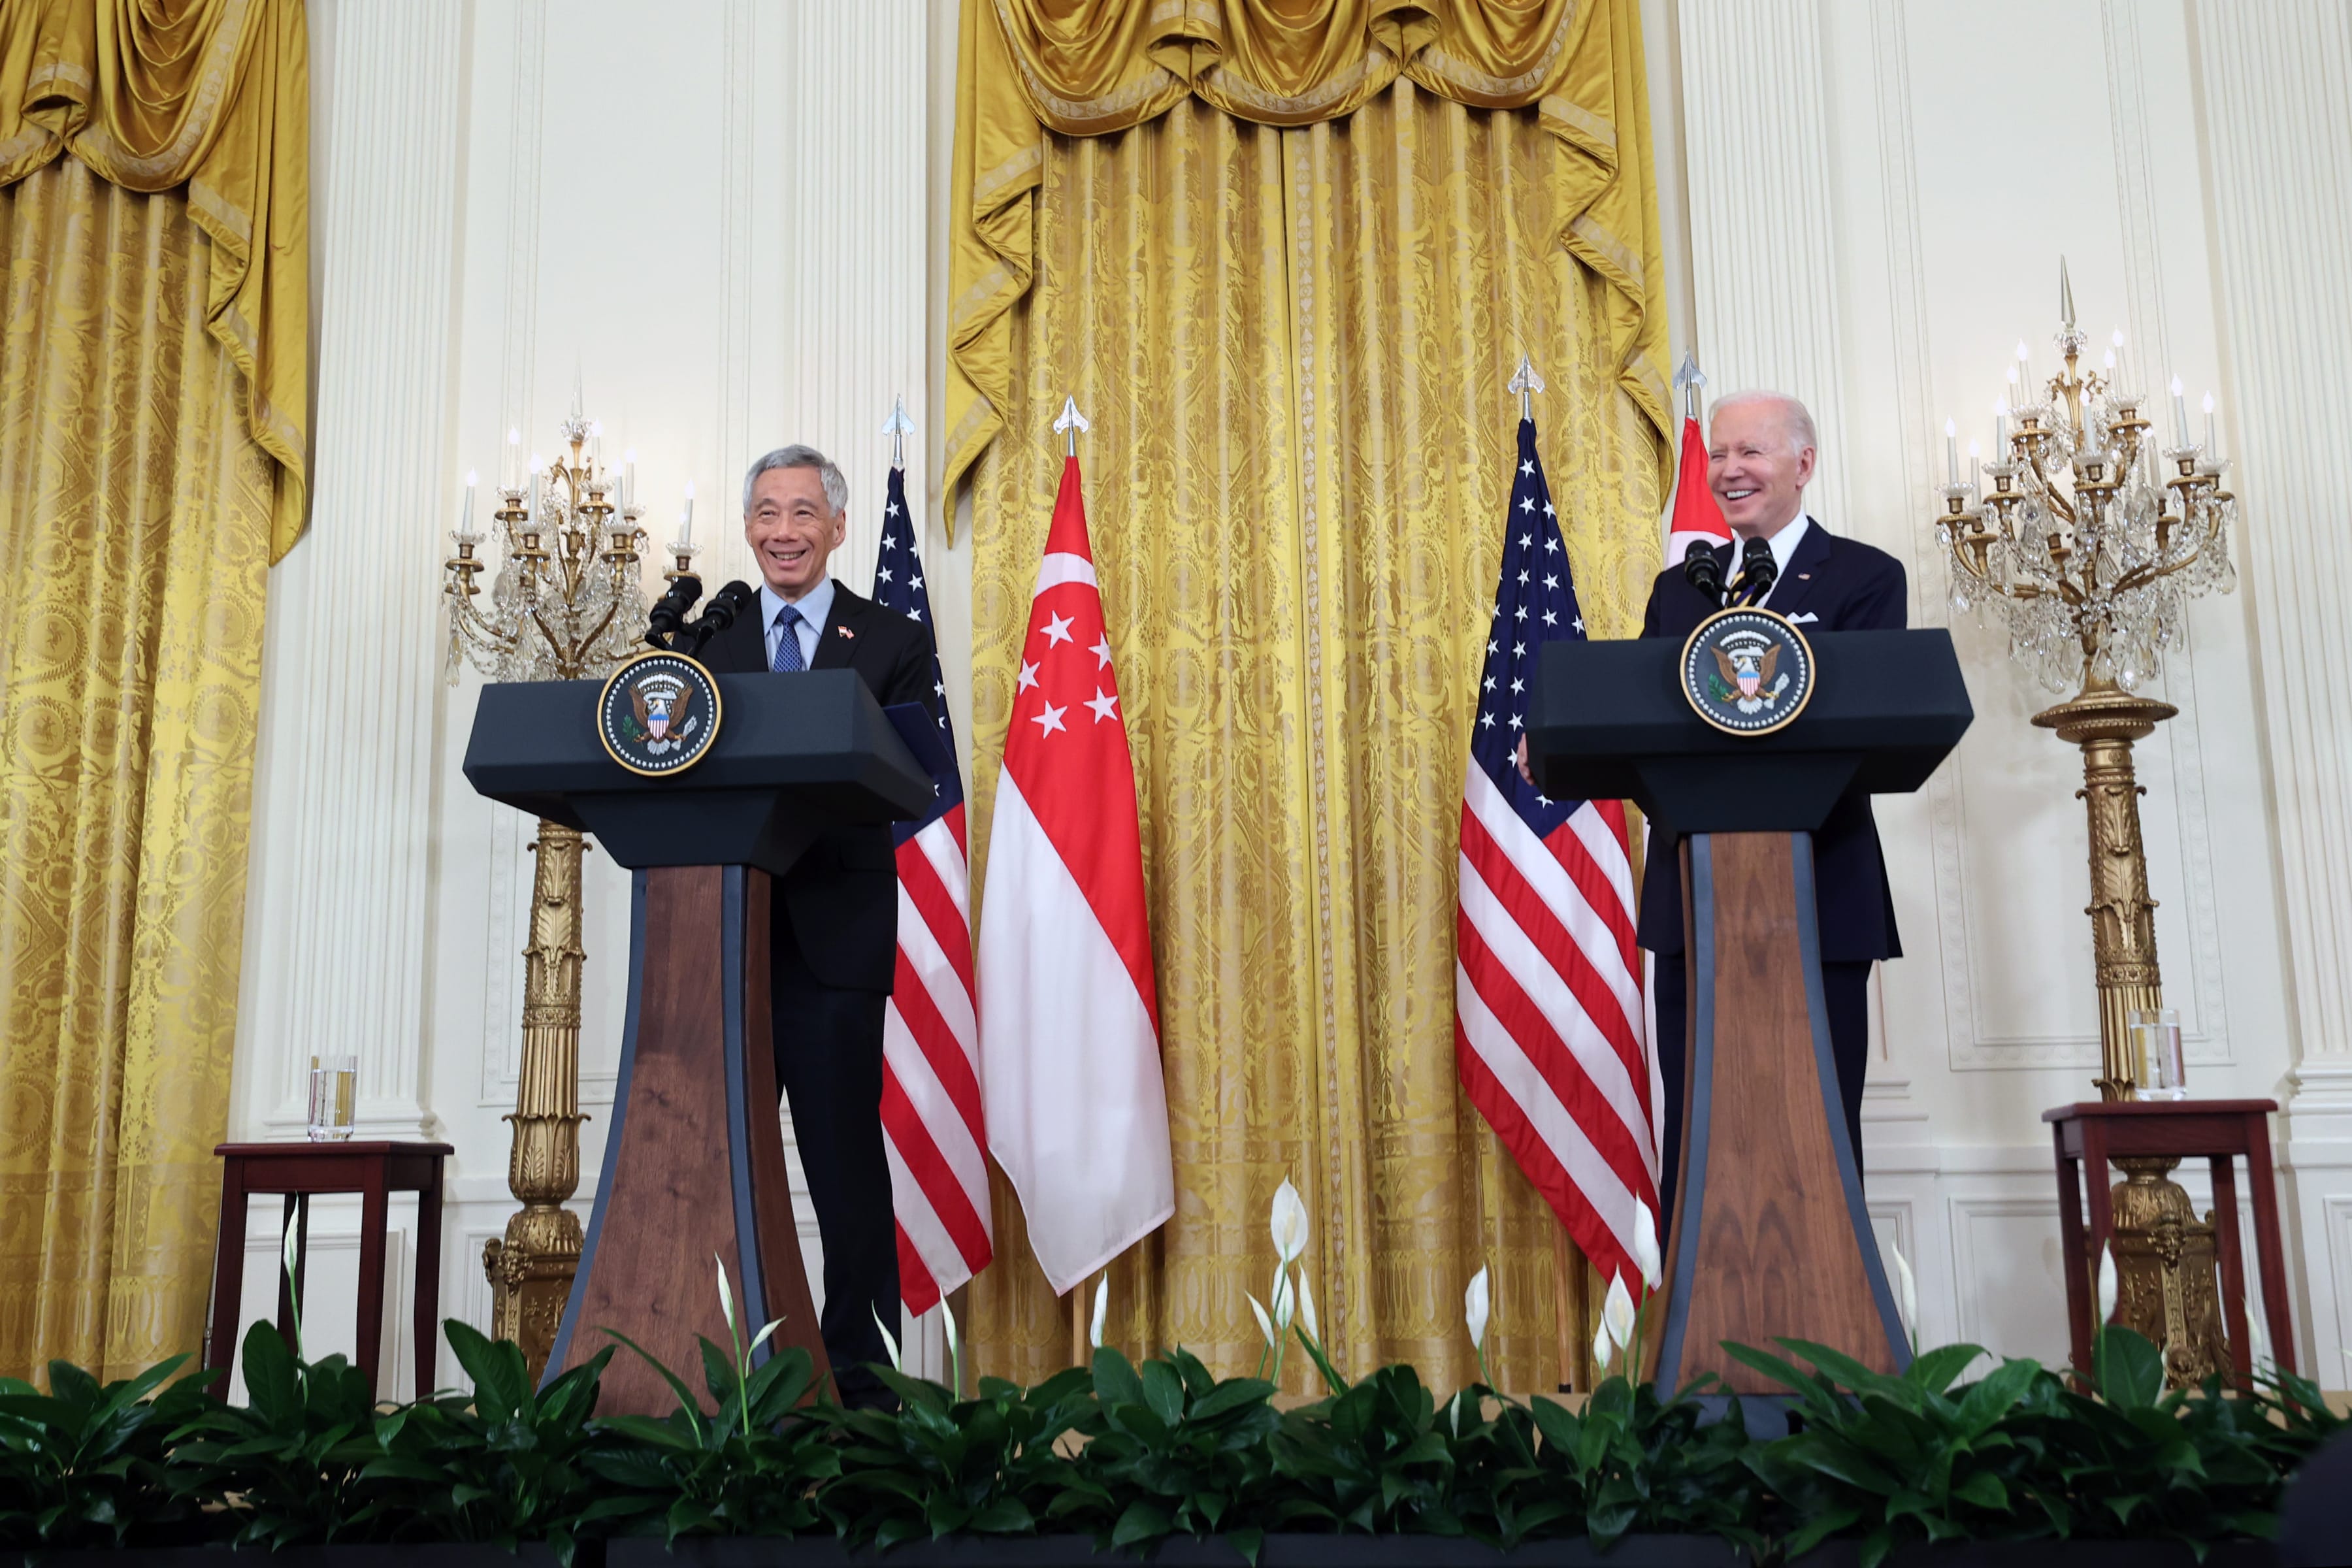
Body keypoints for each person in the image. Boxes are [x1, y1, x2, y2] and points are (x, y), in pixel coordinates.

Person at [1522, 391, 1905, 1229]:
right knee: (1701, 1142)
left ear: (1803, 465)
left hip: (1821, 898)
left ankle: (1839, 1351)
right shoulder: (1679, 592)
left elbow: (1865, 724)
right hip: (1695, 909)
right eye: (1719, 456)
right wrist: (1562, 738)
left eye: (1751, 454)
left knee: (1822, 1136)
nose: (1729, 471)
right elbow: (1649, 730)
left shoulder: (1866, 580)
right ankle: (1693, 1351)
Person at [695, 444, 938, 1407]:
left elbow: (914, 776)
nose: (782, 532)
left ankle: (863, 1395)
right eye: (765, 513)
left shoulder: (887, 639)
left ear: (836, 527)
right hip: (723, 940)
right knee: (723, 1178)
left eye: (802, 513)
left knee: (845, 1179)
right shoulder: (708, 640)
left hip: (836, 946)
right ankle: (736, 1383)